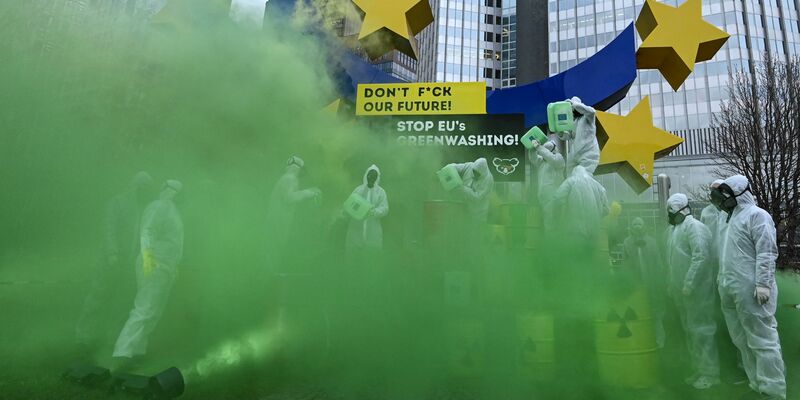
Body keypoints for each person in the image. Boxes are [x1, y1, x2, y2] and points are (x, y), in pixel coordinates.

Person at [717, 175, 785, 399]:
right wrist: (722, 281)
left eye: (727, 194)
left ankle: (773, 390)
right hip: (730, 288)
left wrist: (763, 283)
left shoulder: (757, 216)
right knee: (742, 340)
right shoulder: (729, 219)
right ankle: (757, 385)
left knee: (762, 340)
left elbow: (766, 251)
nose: (724, 199)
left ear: (739, 192)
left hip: (752, 290)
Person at [76, 172, 154, 348]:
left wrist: (145, 260)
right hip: (111, 261)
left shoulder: (147, 207)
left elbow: (148, 235)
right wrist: (112, 253)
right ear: (135, 186)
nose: (144, 191)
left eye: (147, 188)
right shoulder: (118, 202)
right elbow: (109, 229)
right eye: (142, 187)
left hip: (131, 262)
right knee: (98, 296)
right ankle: (84, 335)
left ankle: (111, 336)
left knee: (123, 301)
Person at [113, 180, 184, 362]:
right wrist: (147, 256)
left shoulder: (173, 211)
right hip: (154, 264)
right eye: (174, 191)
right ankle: (122, 353)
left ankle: (137, 351)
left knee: (154, 311)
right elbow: (148, 230)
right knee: (144, 308)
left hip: (165, 266)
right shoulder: (159, 207)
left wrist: (174, 265)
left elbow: (173, 242)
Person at [665, 193, 720, 389]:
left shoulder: (695, 227)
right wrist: (672, 286)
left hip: (698, 292)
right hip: (682, 292)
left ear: (680, 210)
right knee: (691, 332)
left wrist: (689, 283)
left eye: (670, 211)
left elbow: (701, 257)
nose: (668, 215)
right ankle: (699, 369)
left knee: (702, 332)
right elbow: (672, 262)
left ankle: (711, 374)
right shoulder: (675, 230)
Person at [265, 156, 321, 268]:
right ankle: (270, 275)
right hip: (278, 219)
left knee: (274, 248)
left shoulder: (286, 178)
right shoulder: (290, 179)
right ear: (299, 168)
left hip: (278, 218)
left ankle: (270, 273)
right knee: (275, 248)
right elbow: (289, 198)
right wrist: (309, 192)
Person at [622, 217, 666, 348]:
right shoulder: (627, 242)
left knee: (656, 314)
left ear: (644, 226)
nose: (637, 226)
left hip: (652, 284)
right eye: (634, 224)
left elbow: (658, 263)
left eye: (639, 224)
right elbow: (625, 265)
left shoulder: (652, 242)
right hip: (635, 286)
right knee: (638, 314)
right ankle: (640, 342)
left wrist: (659, 280)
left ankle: (660, 342)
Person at [548, 165, 609, 244]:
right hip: (594, 234)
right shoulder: (598, 186)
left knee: (576, 255)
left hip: (575, 232)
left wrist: (557, 219)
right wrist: (596, 215)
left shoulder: (571, 181)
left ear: (573, 173)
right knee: (590, 256)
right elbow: (607, 210)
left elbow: (557, 199)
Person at [345, 165, 389, 258]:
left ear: (377, 178)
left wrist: (373, 212)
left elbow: (385, 208)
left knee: (371, 257)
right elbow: (349, 204)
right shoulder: (358, 190)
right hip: (356, 227)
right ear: (366, 176)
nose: (371, 178)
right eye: (369, 175)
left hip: (373, 228)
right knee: (354, 257)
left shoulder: (381, 192)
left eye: (373, 176)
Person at [528, 138, 565, 232]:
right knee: (547, 222)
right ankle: (550, 242)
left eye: (544, 152)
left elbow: (551, 158)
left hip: (554, 197)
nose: (543, 155)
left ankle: (553, 243)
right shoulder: (542, 162)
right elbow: (533, 158)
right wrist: (532, 148)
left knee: (552, 222)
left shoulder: (558, 159)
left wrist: (539, 147)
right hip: (543, 197)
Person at [560, 97, 600, 175]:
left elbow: (592, 111)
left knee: (583, 178)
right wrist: (559, 131)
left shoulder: (588, 117)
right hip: (575, 155)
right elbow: (567, 136)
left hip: (588, 153)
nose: (572, 111)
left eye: (572, 109)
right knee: (571, 178)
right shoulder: (572, 122)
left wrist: (573, 104)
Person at [448, 157, 494, 224]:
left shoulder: (488, 180)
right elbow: (454, 167)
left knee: (476, 233)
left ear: (483, 172)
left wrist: (463, 189)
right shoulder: (470, 166)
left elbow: (477, 197)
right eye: (473, 171)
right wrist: (446, 170)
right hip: (464, 211)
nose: (474, 174)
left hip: (478, 215)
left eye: (477, 173)